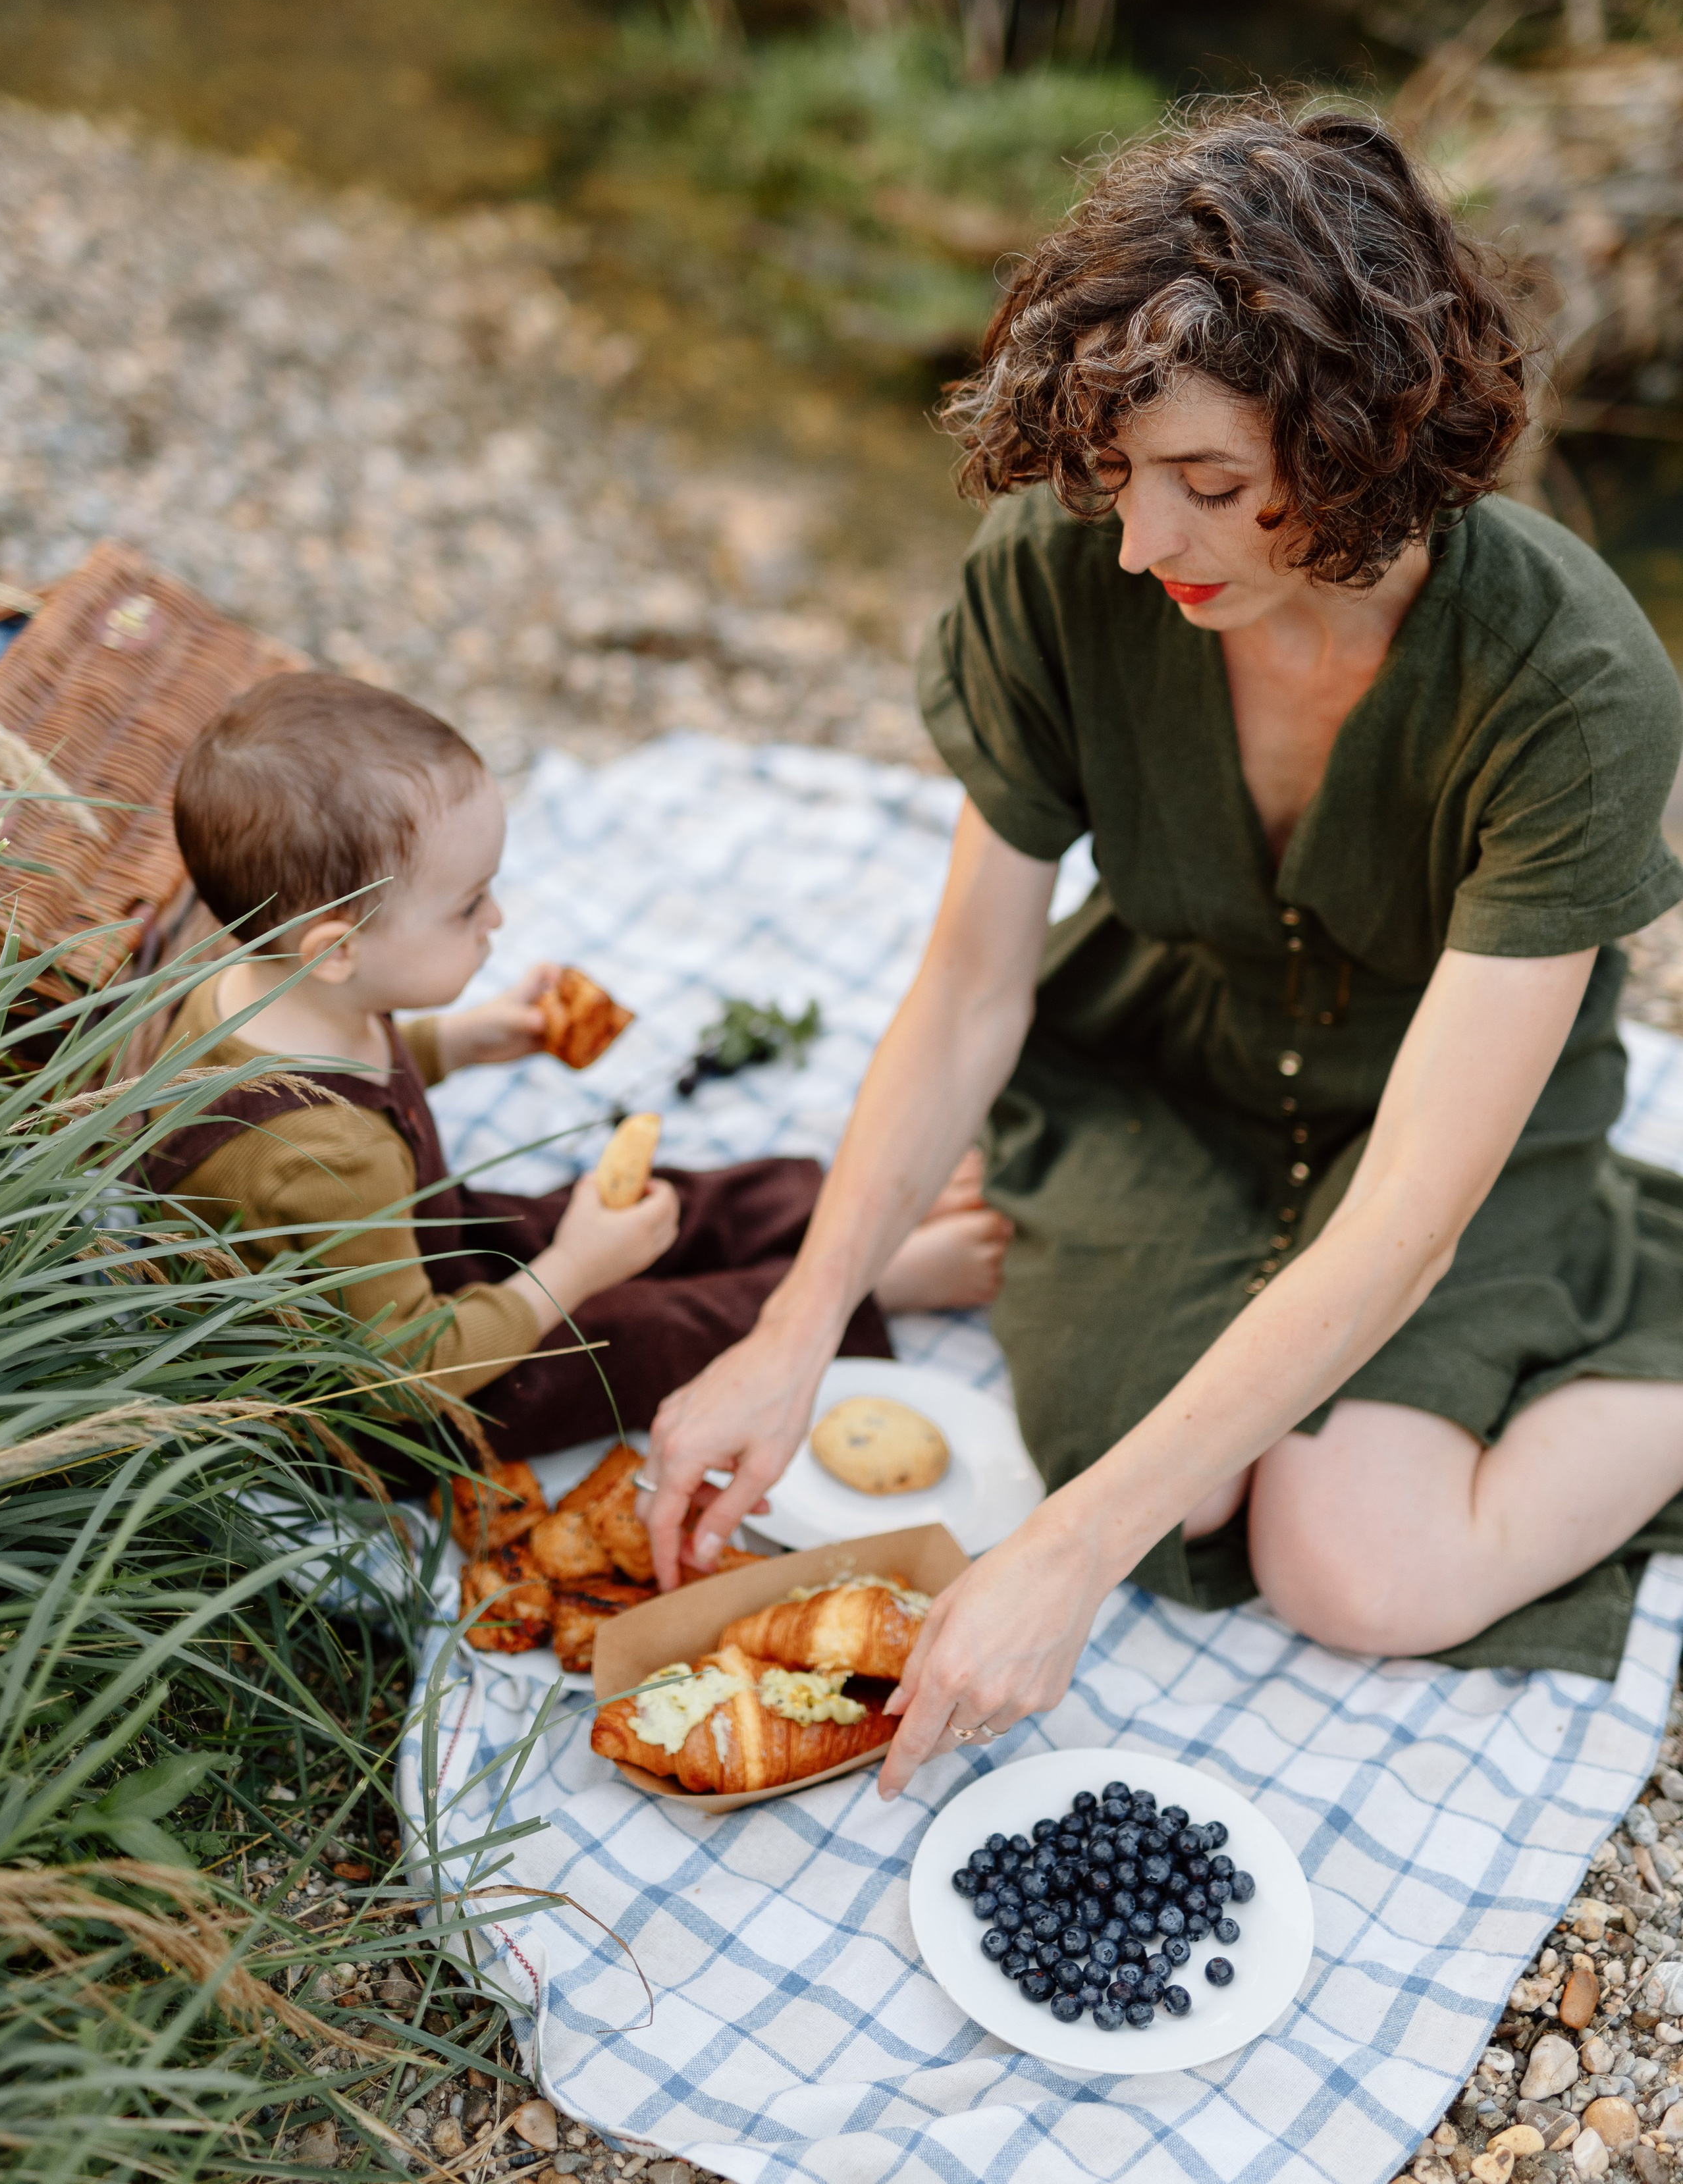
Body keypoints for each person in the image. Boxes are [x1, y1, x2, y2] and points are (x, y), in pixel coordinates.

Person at [640, 97, 1683, 1800]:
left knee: (1355, 1569)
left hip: (1436, 1139)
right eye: (1120, 477)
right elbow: (974, 979)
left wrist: (1065, 1552)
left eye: (1210, 486)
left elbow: (1415, 1207)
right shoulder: (1067, 567)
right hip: (1156, 1059)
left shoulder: (1572, 688)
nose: (1141, 545)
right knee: (1184, 1489)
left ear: (1363, 449)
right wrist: (796, 1321)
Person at [148, 672, 1009, 1460]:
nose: (499, 916)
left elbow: (366, 1076)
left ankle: (852, 1207)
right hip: (398, 1411)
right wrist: (573, 1273)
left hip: (413, 1248)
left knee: (637, 1202)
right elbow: (411, 1368)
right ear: (334, 952)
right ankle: (879, 1292)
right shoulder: (327, 1159)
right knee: (636, 1327)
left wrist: (465, 1041)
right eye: (466, 906)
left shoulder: (264, 986)